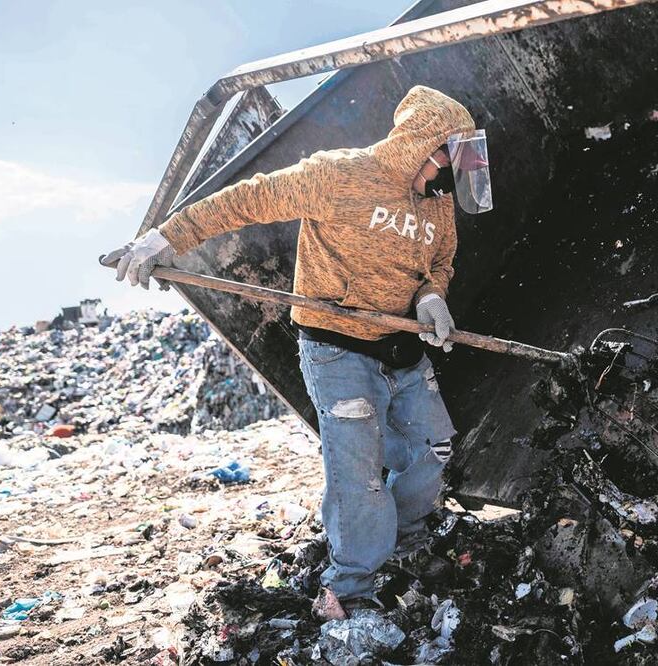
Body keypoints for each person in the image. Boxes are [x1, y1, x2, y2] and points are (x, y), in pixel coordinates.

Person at [101, 85, 493, 620]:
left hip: (398, 343)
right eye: (453, 153)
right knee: (358, 475)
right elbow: (247, 200)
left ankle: (406, 544)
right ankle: (351, 585)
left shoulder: (439, 203)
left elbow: (440, 261)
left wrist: (430, 296)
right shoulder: (337, 175)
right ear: (421, 145)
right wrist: (165, 238)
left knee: (433, 449)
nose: (456, 171)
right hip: (336, 348)